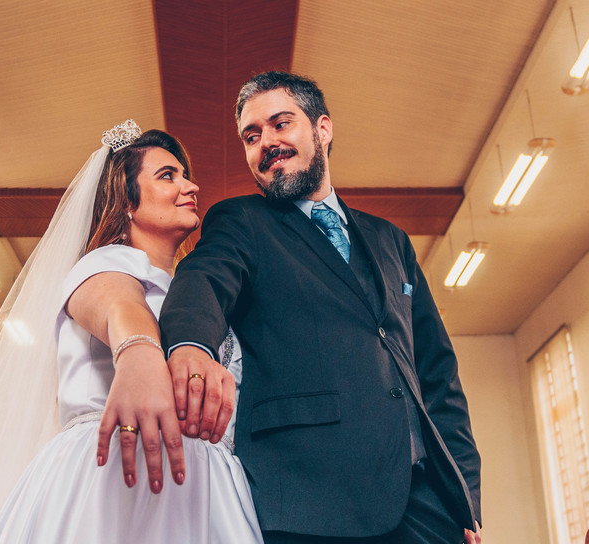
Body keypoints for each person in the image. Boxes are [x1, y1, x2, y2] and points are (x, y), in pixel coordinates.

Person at [0, 122, 262, 544]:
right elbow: (121, 306)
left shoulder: (197, 295)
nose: (191, 186)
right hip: (120, 473)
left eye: (184, 175)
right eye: (167, 175)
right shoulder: (104, 266)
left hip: (209, 488)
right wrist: (138, 354)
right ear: (126, 200)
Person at [158, 72, 482, 544]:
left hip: (427, 504)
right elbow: (202, 279)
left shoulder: (392, 240)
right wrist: (190, 346)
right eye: (251, 136)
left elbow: (437, 377)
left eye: (280, 124)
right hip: (309, 505)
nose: (266, 142)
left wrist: (465, 501)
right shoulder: (241, 221)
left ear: (322, 128)